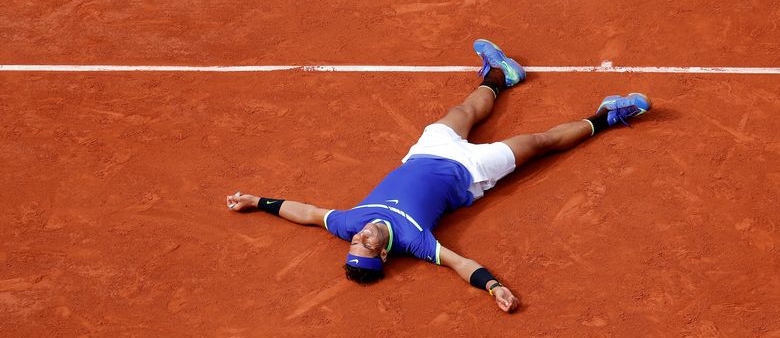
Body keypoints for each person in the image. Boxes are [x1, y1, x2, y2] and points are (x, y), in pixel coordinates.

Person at [225, 40, 651, 313]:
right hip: (471, 172)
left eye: (357, 244)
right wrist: (494, 287)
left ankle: (501, 75)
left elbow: (307, 213)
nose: (363, 239)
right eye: (368, 247)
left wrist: (257, 202)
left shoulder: (349, 223)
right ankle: (610, 116)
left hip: (425, 154)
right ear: (385, 255)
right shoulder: (415, 242)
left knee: (462, 112)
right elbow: (461, 264)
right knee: (538, 142)